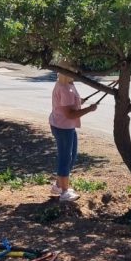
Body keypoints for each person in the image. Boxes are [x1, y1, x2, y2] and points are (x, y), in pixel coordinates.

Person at [49, 68, 98, 202]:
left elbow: (67, 104)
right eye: (73, 71)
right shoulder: (65, 88)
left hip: (62, 125)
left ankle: (59, 185)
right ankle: (64, 192)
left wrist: (78, 102)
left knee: (71, 156)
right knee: (65, 158)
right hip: (63, 127)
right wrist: (89, 109)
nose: (76, 72)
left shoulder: (65, 83)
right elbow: (70, 114)